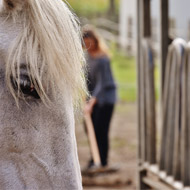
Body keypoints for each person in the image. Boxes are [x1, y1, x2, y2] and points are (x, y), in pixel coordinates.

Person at [83, 27, 117, 169]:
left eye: (89, 43)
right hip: (92, 99)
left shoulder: (103, 59)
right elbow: (87, 80)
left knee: (100, 130)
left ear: (95, 42)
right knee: (89, 129)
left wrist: (91, 102)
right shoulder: (87, 58)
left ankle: (102, 161)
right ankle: (94, 159)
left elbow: (102, 84)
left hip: (105, 99)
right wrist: (85, 98)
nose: (88, 47)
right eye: (85, 44)